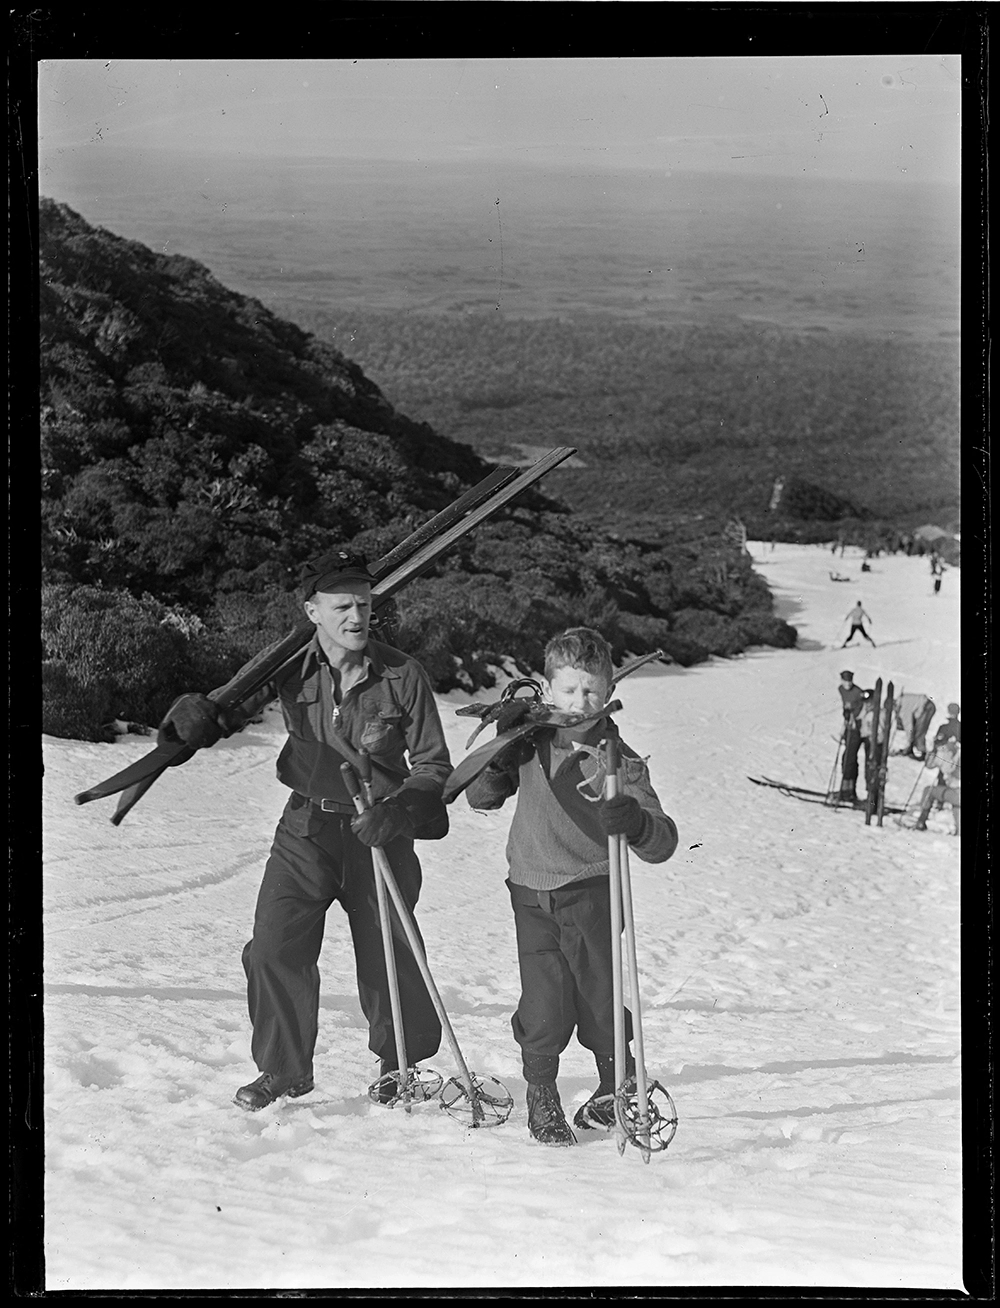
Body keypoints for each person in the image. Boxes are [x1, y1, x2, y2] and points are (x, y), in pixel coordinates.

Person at [158, 548, 453, 1111]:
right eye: (342, 606)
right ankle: (284, 1071)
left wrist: (400, 809)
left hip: (381, 830)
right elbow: (230, 708)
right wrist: (195, 717)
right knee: (273, 947)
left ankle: (401, 1066)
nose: (357, 617)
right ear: (312, 610)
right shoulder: (288, 666)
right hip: (306, 826)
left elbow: (435, 766)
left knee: (389, 950)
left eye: (364, 605)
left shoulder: (401, 673)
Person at [463, 627, 678, 1146]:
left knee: (601, 1002)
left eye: (590, 691)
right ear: (548, 687)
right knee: (544, 1002)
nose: (579, 703)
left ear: (608, 692)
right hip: (530, 892)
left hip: (592, 897)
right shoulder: (527, 741)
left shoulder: (618, 760)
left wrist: (636, 822)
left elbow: (663, 841)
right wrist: (496, 757)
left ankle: (614, 1090)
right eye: (567, 690)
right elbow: (480, 799)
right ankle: (542, 1093)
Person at [915, 738, 961, 835]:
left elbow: (946, 768)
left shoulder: (954, 753)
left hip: (957, 791)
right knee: (956, 806)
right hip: (956, 793)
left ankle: (921, 821)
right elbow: (930, 765)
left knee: (929, 791)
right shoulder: (953, 752)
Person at [837, 670, 867, 802]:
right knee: (846, 758)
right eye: (845, 681)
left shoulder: (858, 692)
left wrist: (854, 718)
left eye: (850, 681)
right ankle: (845, 788)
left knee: (849, 758)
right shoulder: (841, 690)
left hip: (858, 727)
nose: (847, 684)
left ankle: (849, 791)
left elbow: (863, 709)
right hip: (850, 725)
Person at [893, 692, 937, 760]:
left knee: (919, 731)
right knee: (917, 730)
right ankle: (911, 749)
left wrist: (909, 739)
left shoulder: (903, 708)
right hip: (924, 706)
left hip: (927, 707)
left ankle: (923, 753)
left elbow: (908, 726)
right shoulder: (900, 700)